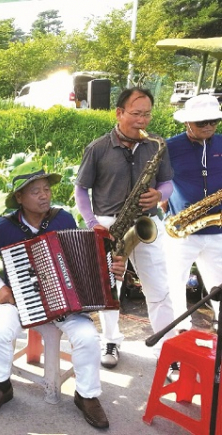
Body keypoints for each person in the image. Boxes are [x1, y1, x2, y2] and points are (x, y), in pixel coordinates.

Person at [0, 165, 126, 429]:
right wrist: (0, 287)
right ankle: (1, 386)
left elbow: (86, 255)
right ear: (19, 198)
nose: (44, 195)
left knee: (88, 338)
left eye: (46, 189)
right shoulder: (4, 227)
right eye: (35, 192)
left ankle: (86, 395)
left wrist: (111, 266)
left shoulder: (62, 218)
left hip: (66, 304)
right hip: (22, 301)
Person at [74, 87, 176, 369]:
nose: (142, 120)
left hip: (146, 223)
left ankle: (167, 348)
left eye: (147, 114)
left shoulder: (156, 144)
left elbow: (167, 182)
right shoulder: (98, 148)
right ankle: (110, 340)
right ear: (119, 113)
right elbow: (80, 190)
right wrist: (93, 224)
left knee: (159, 288)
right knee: (109, 288)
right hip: (109, 224)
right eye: (136, 113)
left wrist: (160, 195)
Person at [164, 95, 222, 332]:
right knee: (174, 284)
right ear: (187, 122)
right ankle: (180, 331)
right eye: (201, 122)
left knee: (219, 284)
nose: (208, 126)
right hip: (182, 229)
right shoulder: (169, 147)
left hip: (217, 229)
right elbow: (157, 181)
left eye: (213, 121)